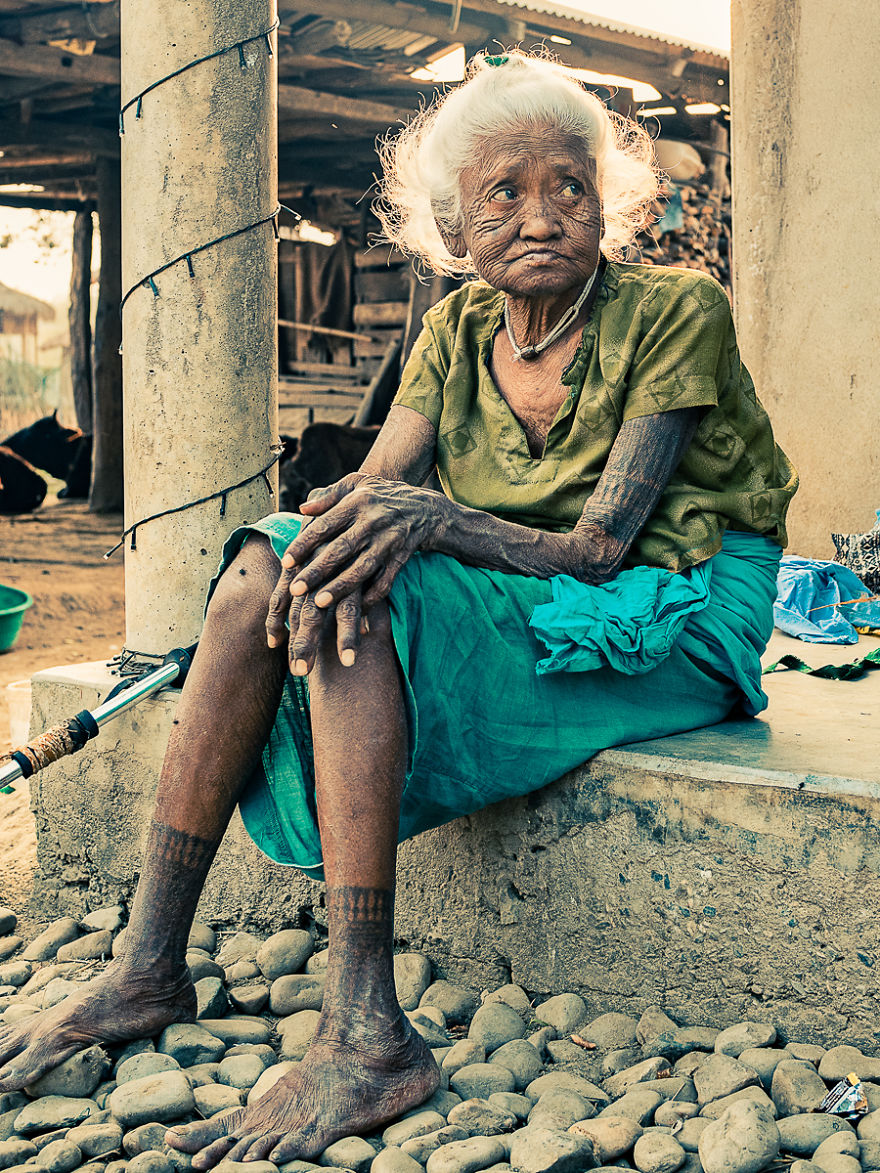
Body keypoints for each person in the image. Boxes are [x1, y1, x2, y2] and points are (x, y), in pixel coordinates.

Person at [0, 52, 797, 1164]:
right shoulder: (456, 332)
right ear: (454, 231)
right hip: (532, 588)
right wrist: (315, 537)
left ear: (604, 206)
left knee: (364, 588)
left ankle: (366, 1029)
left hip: (670, 604)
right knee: (265, 575)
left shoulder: (672, 309)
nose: (542, 214)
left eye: (569, 185)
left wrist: (421, 525)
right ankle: (146, 964)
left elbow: (600, 545)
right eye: (503, 194)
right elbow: (366, 496)